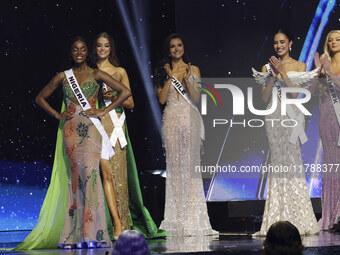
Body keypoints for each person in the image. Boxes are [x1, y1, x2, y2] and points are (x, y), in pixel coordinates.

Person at [17, 36, 131, 249]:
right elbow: (40, 98)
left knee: (92, 178)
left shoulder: (96, 73)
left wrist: (103, 110)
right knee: (76, 180)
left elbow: (125, 92)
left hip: (91, 131)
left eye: (83, 49)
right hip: (71, 133)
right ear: (71, 53)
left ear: (87, 52)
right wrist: (57, 115)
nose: (79, 53)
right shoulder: (63, 76)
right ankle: (73, 235)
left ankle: (93, 234)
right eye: (75, 50)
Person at [92, 32, 166, 239]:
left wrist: (112, 96)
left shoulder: (119, 71)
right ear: (94, 48)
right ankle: (102, 224)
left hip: (115, 123)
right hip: (96, 123)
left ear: (111, 48)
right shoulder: (90, 72)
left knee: (118, 176)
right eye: (99, 46)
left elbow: (131, 103)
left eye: (106, 46)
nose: (102, 49)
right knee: (100, 174)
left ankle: (122, 223)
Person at [253, 29, 319, 235]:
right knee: (278, 163)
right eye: (275, 43)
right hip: (273, 117)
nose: (278, 46)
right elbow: (264, 98)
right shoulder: (266, 66)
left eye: (282, 42)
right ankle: (277, 216)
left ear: (290, 43)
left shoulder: (300, 66)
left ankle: (299, 216)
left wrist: (282, 71)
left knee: (293, 162)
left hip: (291, 116)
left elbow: (295, 93)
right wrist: (272, 76)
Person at [154, 33, 215, 236]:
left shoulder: (193, 68)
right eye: (172, 46)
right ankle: (176, 219)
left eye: (179, 45)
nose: (176, 49)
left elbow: (196, 98)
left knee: (190, 168)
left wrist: (188, 78)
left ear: (183, 48)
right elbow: (162, 100)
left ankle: (193, 218)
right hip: (170, 119)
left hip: (190, 119)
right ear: (168, 50)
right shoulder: (162, 71)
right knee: (174, 168)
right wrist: (171, 77)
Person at [314, 30, 340, 231]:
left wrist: (329, 72)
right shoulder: (323, 61)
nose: (333, 42)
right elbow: (311, 92)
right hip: (326, 115)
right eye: (330, 40)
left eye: (337, 39)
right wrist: (317, 73)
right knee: (332, 165)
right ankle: (332, 215)